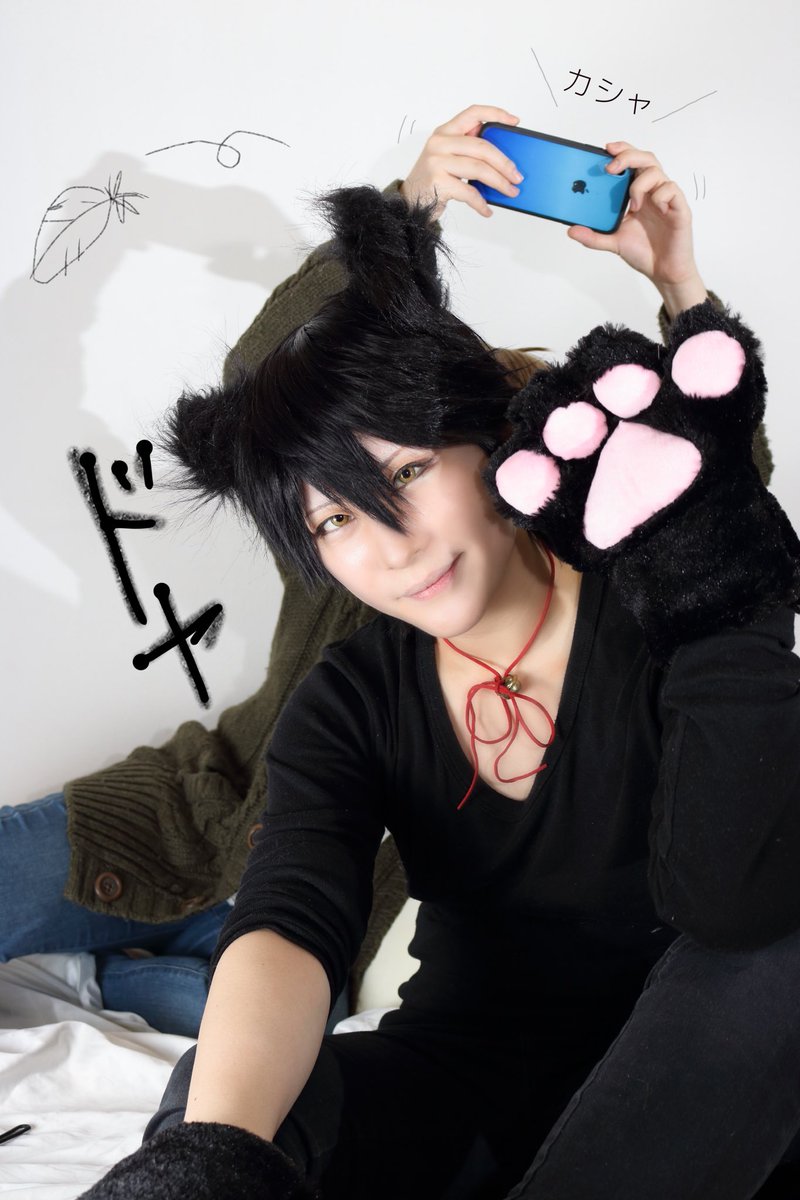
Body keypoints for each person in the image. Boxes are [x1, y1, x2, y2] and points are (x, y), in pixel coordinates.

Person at [77, 109, 800, 1199]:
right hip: (468, 1082)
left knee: (776, 936)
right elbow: (291, 920)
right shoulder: (354, 694)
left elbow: (718, 496)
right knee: (228, 1096)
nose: (388, 548)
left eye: (406, 474)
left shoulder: (663, 596)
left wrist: (680, 292)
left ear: (492, 436)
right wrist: (212, 1154)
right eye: (333, 523)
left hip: (707, 1067)